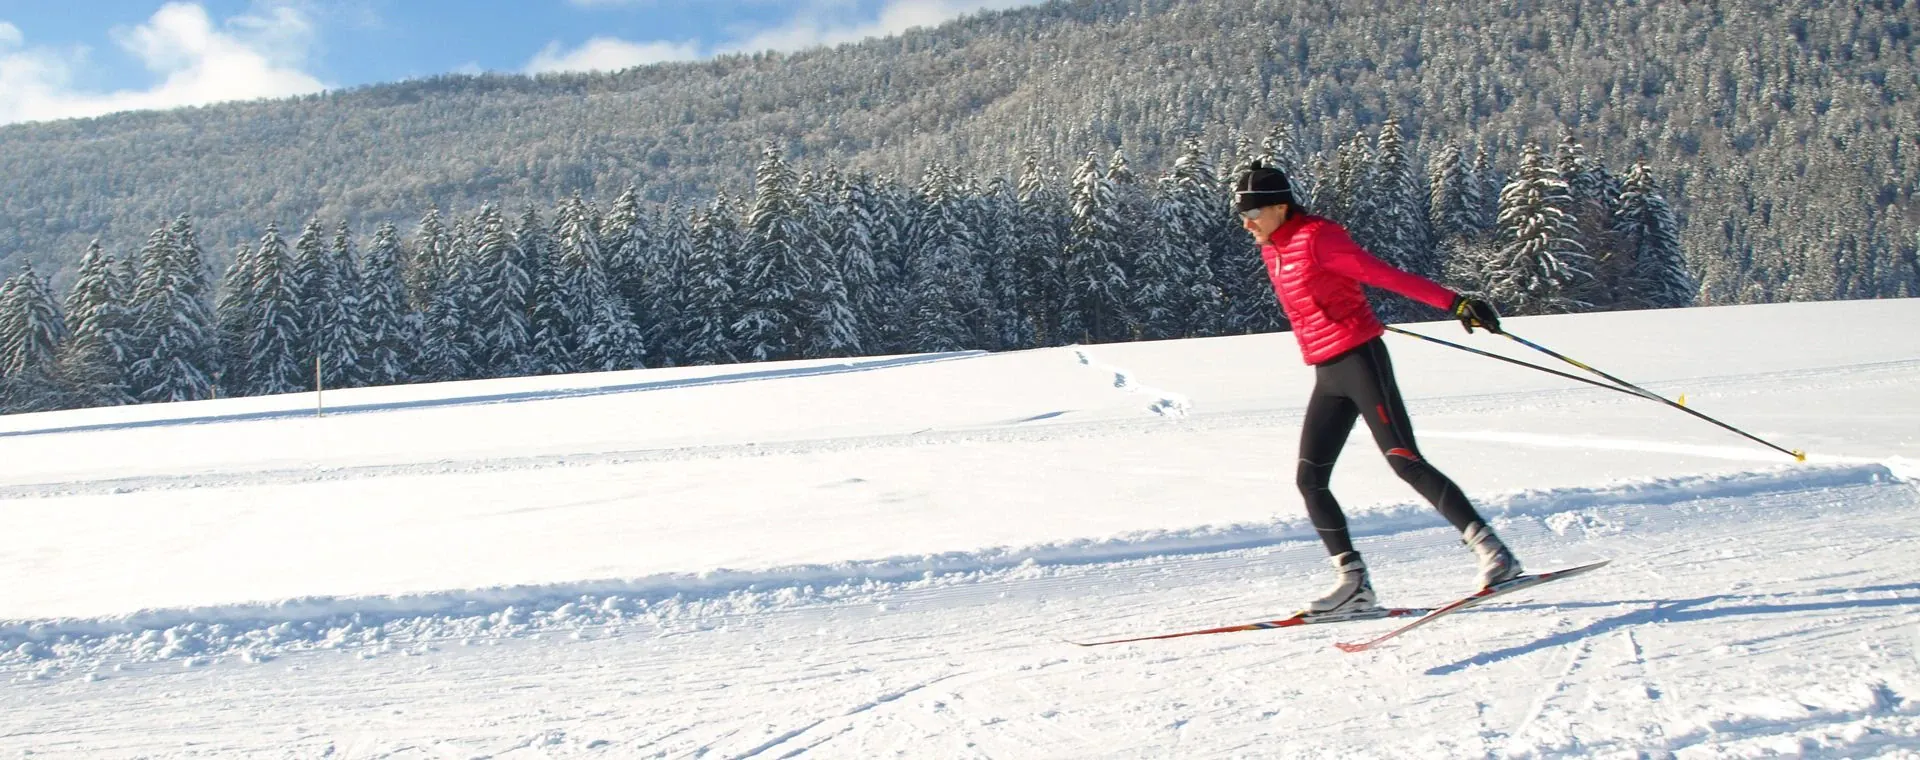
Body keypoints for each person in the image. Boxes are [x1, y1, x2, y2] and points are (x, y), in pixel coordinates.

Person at [1234, 161, 1522, 615]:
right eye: (1241, 215)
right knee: (1310, 479)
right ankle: (1354, 584)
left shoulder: (1318, 237)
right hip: (1327, 371)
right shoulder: (1274, 247)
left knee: (1405, 462)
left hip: (1360, 360)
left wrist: (1455, 302)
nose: (1246, 223)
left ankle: (1495, 554)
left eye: (1253, 213)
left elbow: (1381, 274)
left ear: (1280, 207)